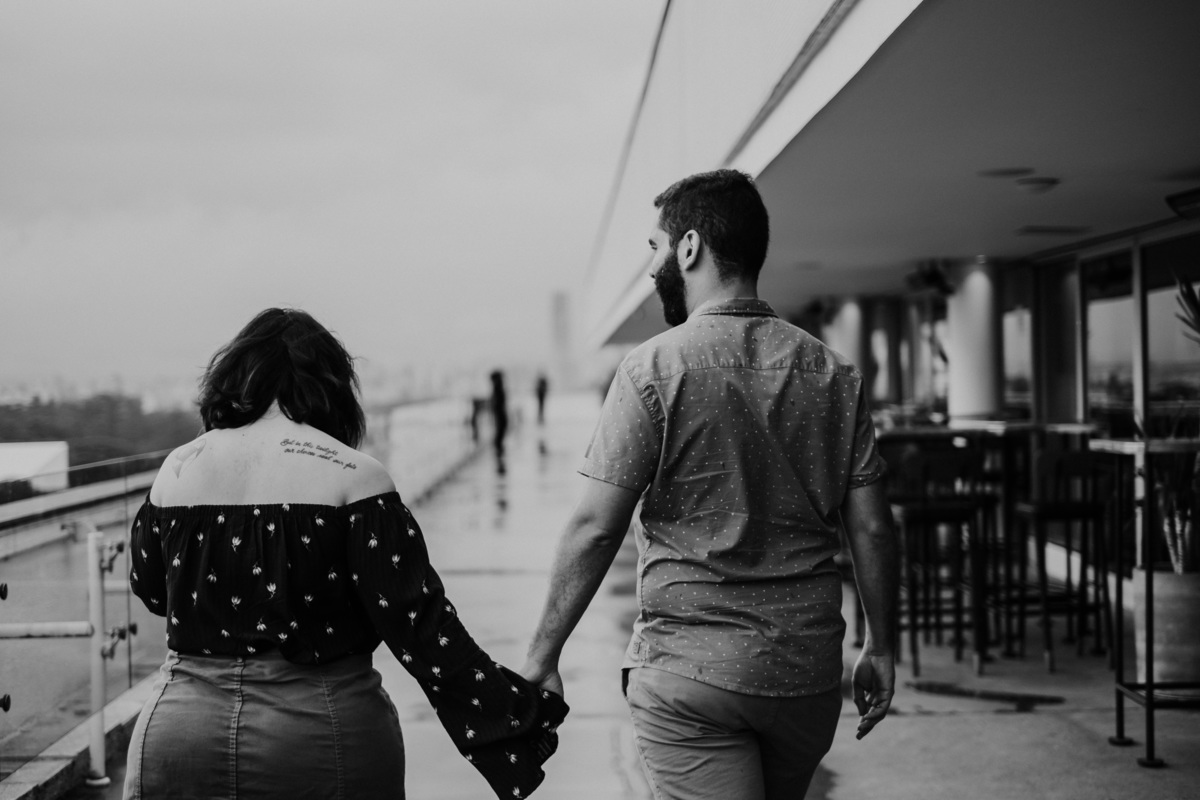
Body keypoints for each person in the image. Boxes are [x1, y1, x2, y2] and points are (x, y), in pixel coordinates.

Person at [521, 170, 898, 800]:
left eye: (655, 248)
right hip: (804, 673)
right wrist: (882, 646)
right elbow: (872, 525)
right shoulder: (834, 373)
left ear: (689, 247)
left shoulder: (653, 369)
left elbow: (595, 527)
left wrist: (541, 656)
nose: (651, 268)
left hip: (689, 676)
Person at [125, 308, 566, 800]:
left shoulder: (176, 471)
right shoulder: (355, 477)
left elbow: (152, 591)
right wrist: (522, 709)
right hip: (318, 733)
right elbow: (421, 630)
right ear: (332, 389)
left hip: (179, 732)